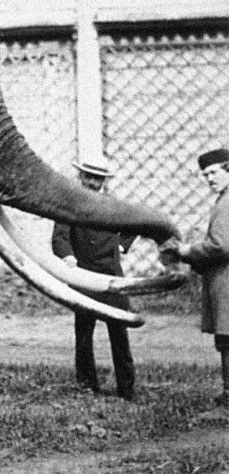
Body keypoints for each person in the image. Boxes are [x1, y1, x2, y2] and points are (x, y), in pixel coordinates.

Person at [51, 156, 137, 400]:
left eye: (97, 178)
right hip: (84, 276)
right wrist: (67, 257)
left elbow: (136, 225)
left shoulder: (113, 205)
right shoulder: (69, 205)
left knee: (119, 332)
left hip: (111, 277)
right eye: (88, 177)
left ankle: (127, 389)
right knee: (84, 333)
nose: (92, 182)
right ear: (80, 177)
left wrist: (121, 246)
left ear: (104, 181)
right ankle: (87, 385)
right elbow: (60, 237)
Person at [161, 147, 229, 408]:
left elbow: (220, 246)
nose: (209, 179)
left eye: (213, 172)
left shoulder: (226, 203)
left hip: (225, 281)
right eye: (205, 175)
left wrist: (187, 250)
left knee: (226, 338)